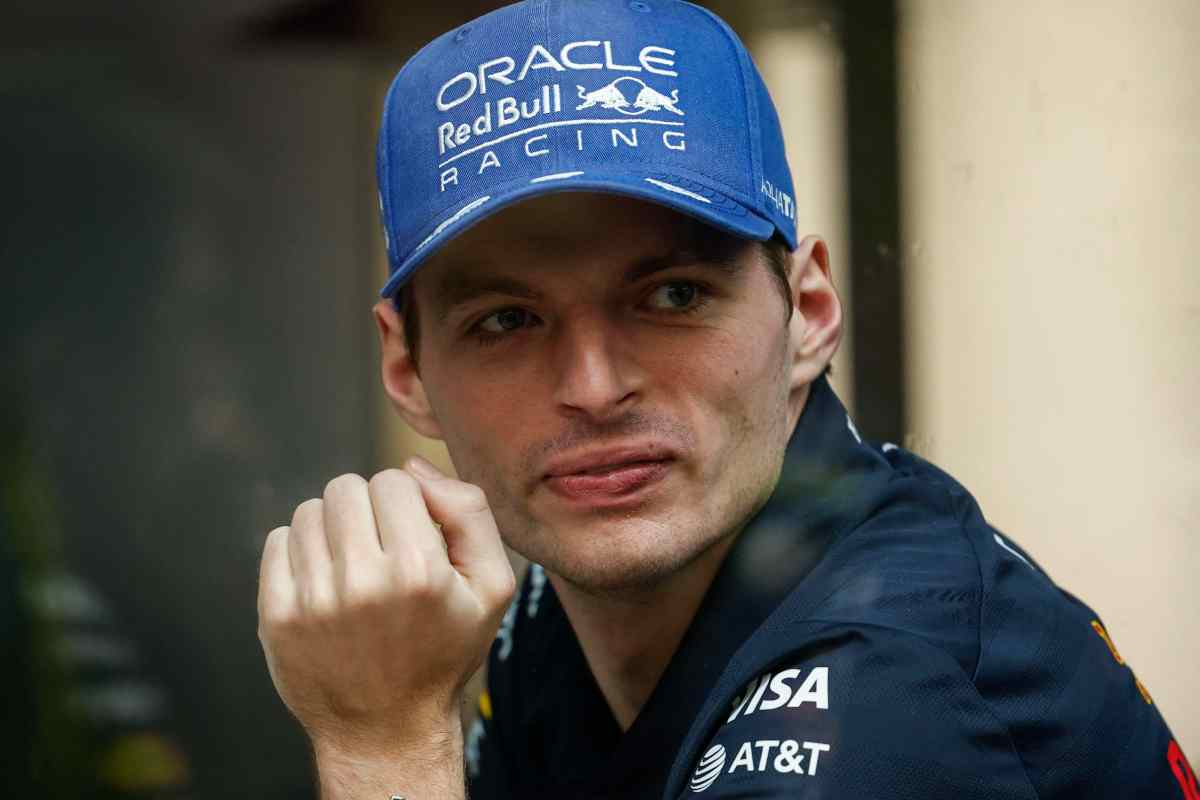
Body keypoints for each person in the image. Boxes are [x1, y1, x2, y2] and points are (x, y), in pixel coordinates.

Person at [256, 1, 1195, 798]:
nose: (594, 389)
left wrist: (383, 742)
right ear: (407, 369)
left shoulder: (884, 701)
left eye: (673, 296)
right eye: (507, 321)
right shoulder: (552, 615)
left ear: (809, 314)